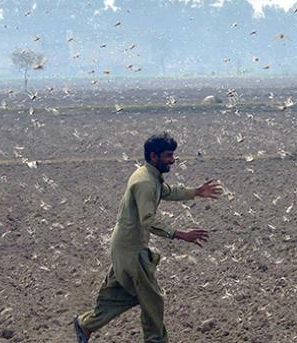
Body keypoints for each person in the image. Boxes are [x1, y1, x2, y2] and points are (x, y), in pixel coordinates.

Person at [74, 132, 223, 343]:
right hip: (132, 251)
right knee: (152, 300)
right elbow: (148, 221)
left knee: (122, 294)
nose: (172, 160)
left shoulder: (148, 175)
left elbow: (167, 191)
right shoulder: (144, 182)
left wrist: (196, 192)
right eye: (168, 156)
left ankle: (85, 325)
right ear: (154, 156)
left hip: (124, 248)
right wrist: (182, 235)